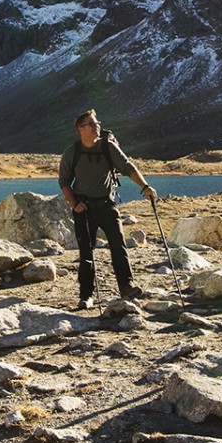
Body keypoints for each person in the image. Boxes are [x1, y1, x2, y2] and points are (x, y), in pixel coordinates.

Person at [58, 110, 156, 310]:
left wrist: (145, 187)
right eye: (91, 124)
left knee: (118, 246)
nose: (97, 127)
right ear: (80, 129)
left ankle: (126, 286)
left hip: (106, 204)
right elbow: (64, 182)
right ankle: (86, 295)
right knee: (86, 251)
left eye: (97, 123)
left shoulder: (108, 147)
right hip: (83, 208)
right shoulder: (72, 152)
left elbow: (128, 167)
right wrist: (74, 204)